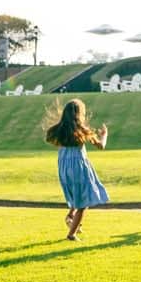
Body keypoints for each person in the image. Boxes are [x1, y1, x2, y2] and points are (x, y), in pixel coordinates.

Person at [44, 99, 110, 241]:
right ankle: (71, 234)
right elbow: (101, 146)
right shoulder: (82, 131)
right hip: (79, 167)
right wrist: (104, 135)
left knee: (77, 195)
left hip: (64, 168)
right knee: (83, 203)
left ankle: (70, 216)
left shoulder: (59, 131)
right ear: (79, 114)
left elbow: (50, 139)